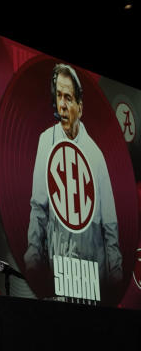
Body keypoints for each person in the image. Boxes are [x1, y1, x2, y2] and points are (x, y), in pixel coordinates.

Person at [23, 63, 122, 291]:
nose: (63, 105)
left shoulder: (96, 156)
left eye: (68, 97)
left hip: (93, 280)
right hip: (57, 276)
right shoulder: (45, 141)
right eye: (58, 96)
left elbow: (110, 228)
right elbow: (38, 210)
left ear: (80, 106)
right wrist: (33, 264)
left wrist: (115, 281)